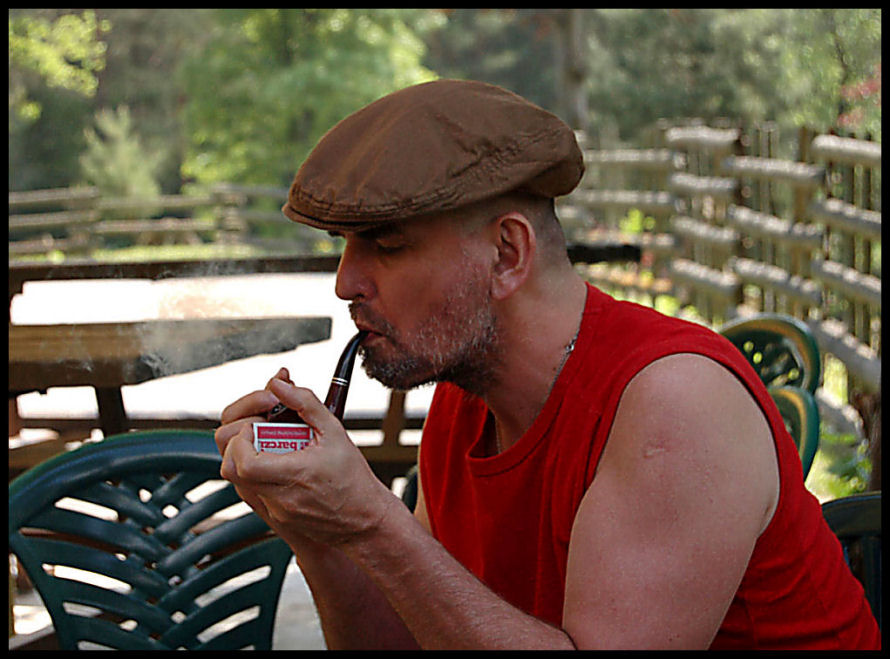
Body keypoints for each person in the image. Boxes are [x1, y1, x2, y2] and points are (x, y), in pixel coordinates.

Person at [214, 79, 880, 650]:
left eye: (386, 245)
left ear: (507, 253)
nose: (346, 282)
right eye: (344, 246)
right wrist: (323, 534)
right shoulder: (465, 400)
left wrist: (371, 518)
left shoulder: (673, 402)